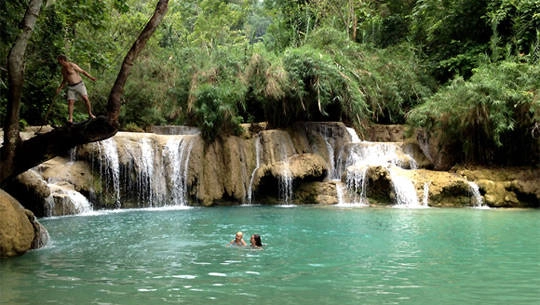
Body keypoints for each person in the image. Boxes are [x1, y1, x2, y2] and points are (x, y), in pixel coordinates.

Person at [56, 54, 97, 123]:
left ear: (62, 60)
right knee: (70, 102)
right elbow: (64, 80)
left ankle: (90, 114)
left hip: (79, 85)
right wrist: (59, 88)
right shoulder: (63, 70)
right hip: (71, 87)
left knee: (86, 99)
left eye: (59, 61)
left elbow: (83, 72)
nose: (58, 62)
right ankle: (70, 118)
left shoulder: (72, 65)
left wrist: (91, 77)